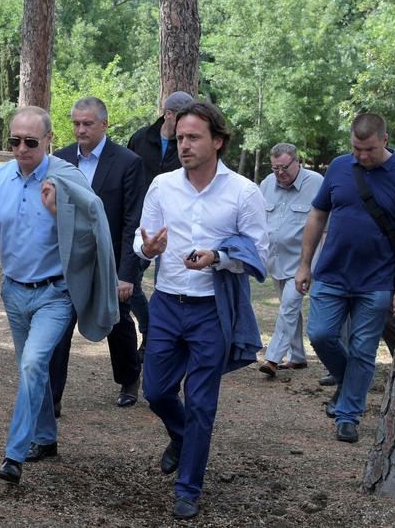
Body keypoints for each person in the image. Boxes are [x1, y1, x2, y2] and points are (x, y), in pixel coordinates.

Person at [0, 106, 118, 485]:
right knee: (29, 367)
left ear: (49, 141)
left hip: (56, 293)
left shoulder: (67, 180)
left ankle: (14, 455)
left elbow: (94, 239)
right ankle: (47, 438)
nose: (21, 149)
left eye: (30, 142)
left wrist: (59, 213)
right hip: (13, 292)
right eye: (14, 141)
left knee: (34, 364)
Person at [134, 101, 268, 519]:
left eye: (193, 138)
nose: (184, 145)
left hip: (213, 310)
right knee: (155, 390)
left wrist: (218, 257)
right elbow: (142, 241)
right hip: (167, 304)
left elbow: (259, 255)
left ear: (218, 142)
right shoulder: (162, 185)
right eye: (180, 138)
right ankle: (181, 436)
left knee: (202, 401)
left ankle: (188, 487)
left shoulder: (244, 192)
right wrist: (147, 248)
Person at [295, 113, 395, 444]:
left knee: (364, 349)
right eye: (356, 148)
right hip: (331, 273)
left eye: (367, 149)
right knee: (321, 334)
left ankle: (348, 415)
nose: (362, 156)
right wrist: (304, 264)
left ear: (384, 139)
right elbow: (317, 214)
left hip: (377, 281)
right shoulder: (339, 167)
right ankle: (347, 381)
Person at [49, 96, 145, 414]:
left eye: (87, 124)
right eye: (76, 123)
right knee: (59, 327)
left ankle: (129, 379)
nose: (80, 130)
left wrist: (127, 274)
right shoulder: (59, 161)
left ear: (104, 124)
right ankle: (53, 396)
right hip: (69, 262)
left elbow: (133, 222)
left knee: (117, 325)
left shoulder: (128, 162)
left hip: (110, 262)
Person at [126, 90, 194, 358]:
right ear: (168, 115)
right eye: (183, 117)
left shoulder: (190, 144)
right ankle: (149, 328)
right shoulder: (141, 139)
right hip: (142, 225)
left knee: (175, 287)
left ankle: (173, 338)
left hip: (180, 227)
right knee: (129, 284)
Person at [258, 143, 323, 378]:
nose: (279, 173)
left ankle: (273, 358)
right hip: (276, 261)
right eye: (275, 168)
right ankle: (297, 357)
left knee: (288, 307)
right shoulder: (266, 184)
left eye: (284, 167)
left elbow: (327, 222)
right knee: (290, 309)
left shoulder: (316, 183)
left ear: (297, 161)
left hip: (303, 262)